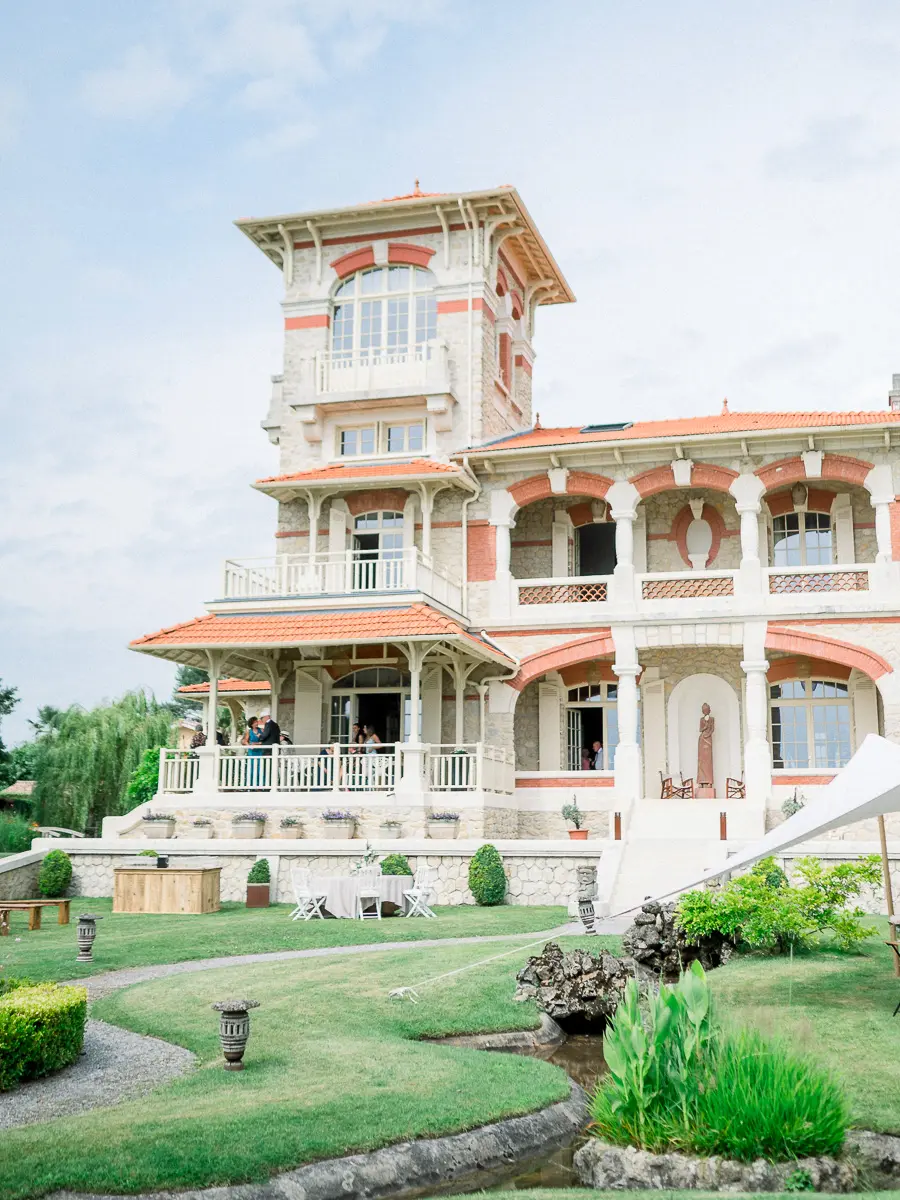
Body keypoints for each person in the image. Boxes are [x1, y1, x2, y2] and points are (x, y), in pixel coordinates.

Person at [242, 717, 262, 785]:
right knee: (252, 768)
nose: (256, 723)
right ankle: (250, 785)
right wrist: (249, 745)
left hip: (259, 751)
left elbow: (264, 741)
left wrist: (257, 743)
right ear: (251, 724)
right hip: (252, 752)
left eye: (257, 722)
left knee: (260, 768)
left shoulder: (261, 730)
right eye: (254, 722)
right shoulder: (249, 731)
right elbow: (245, 741)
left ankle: (260, 785)